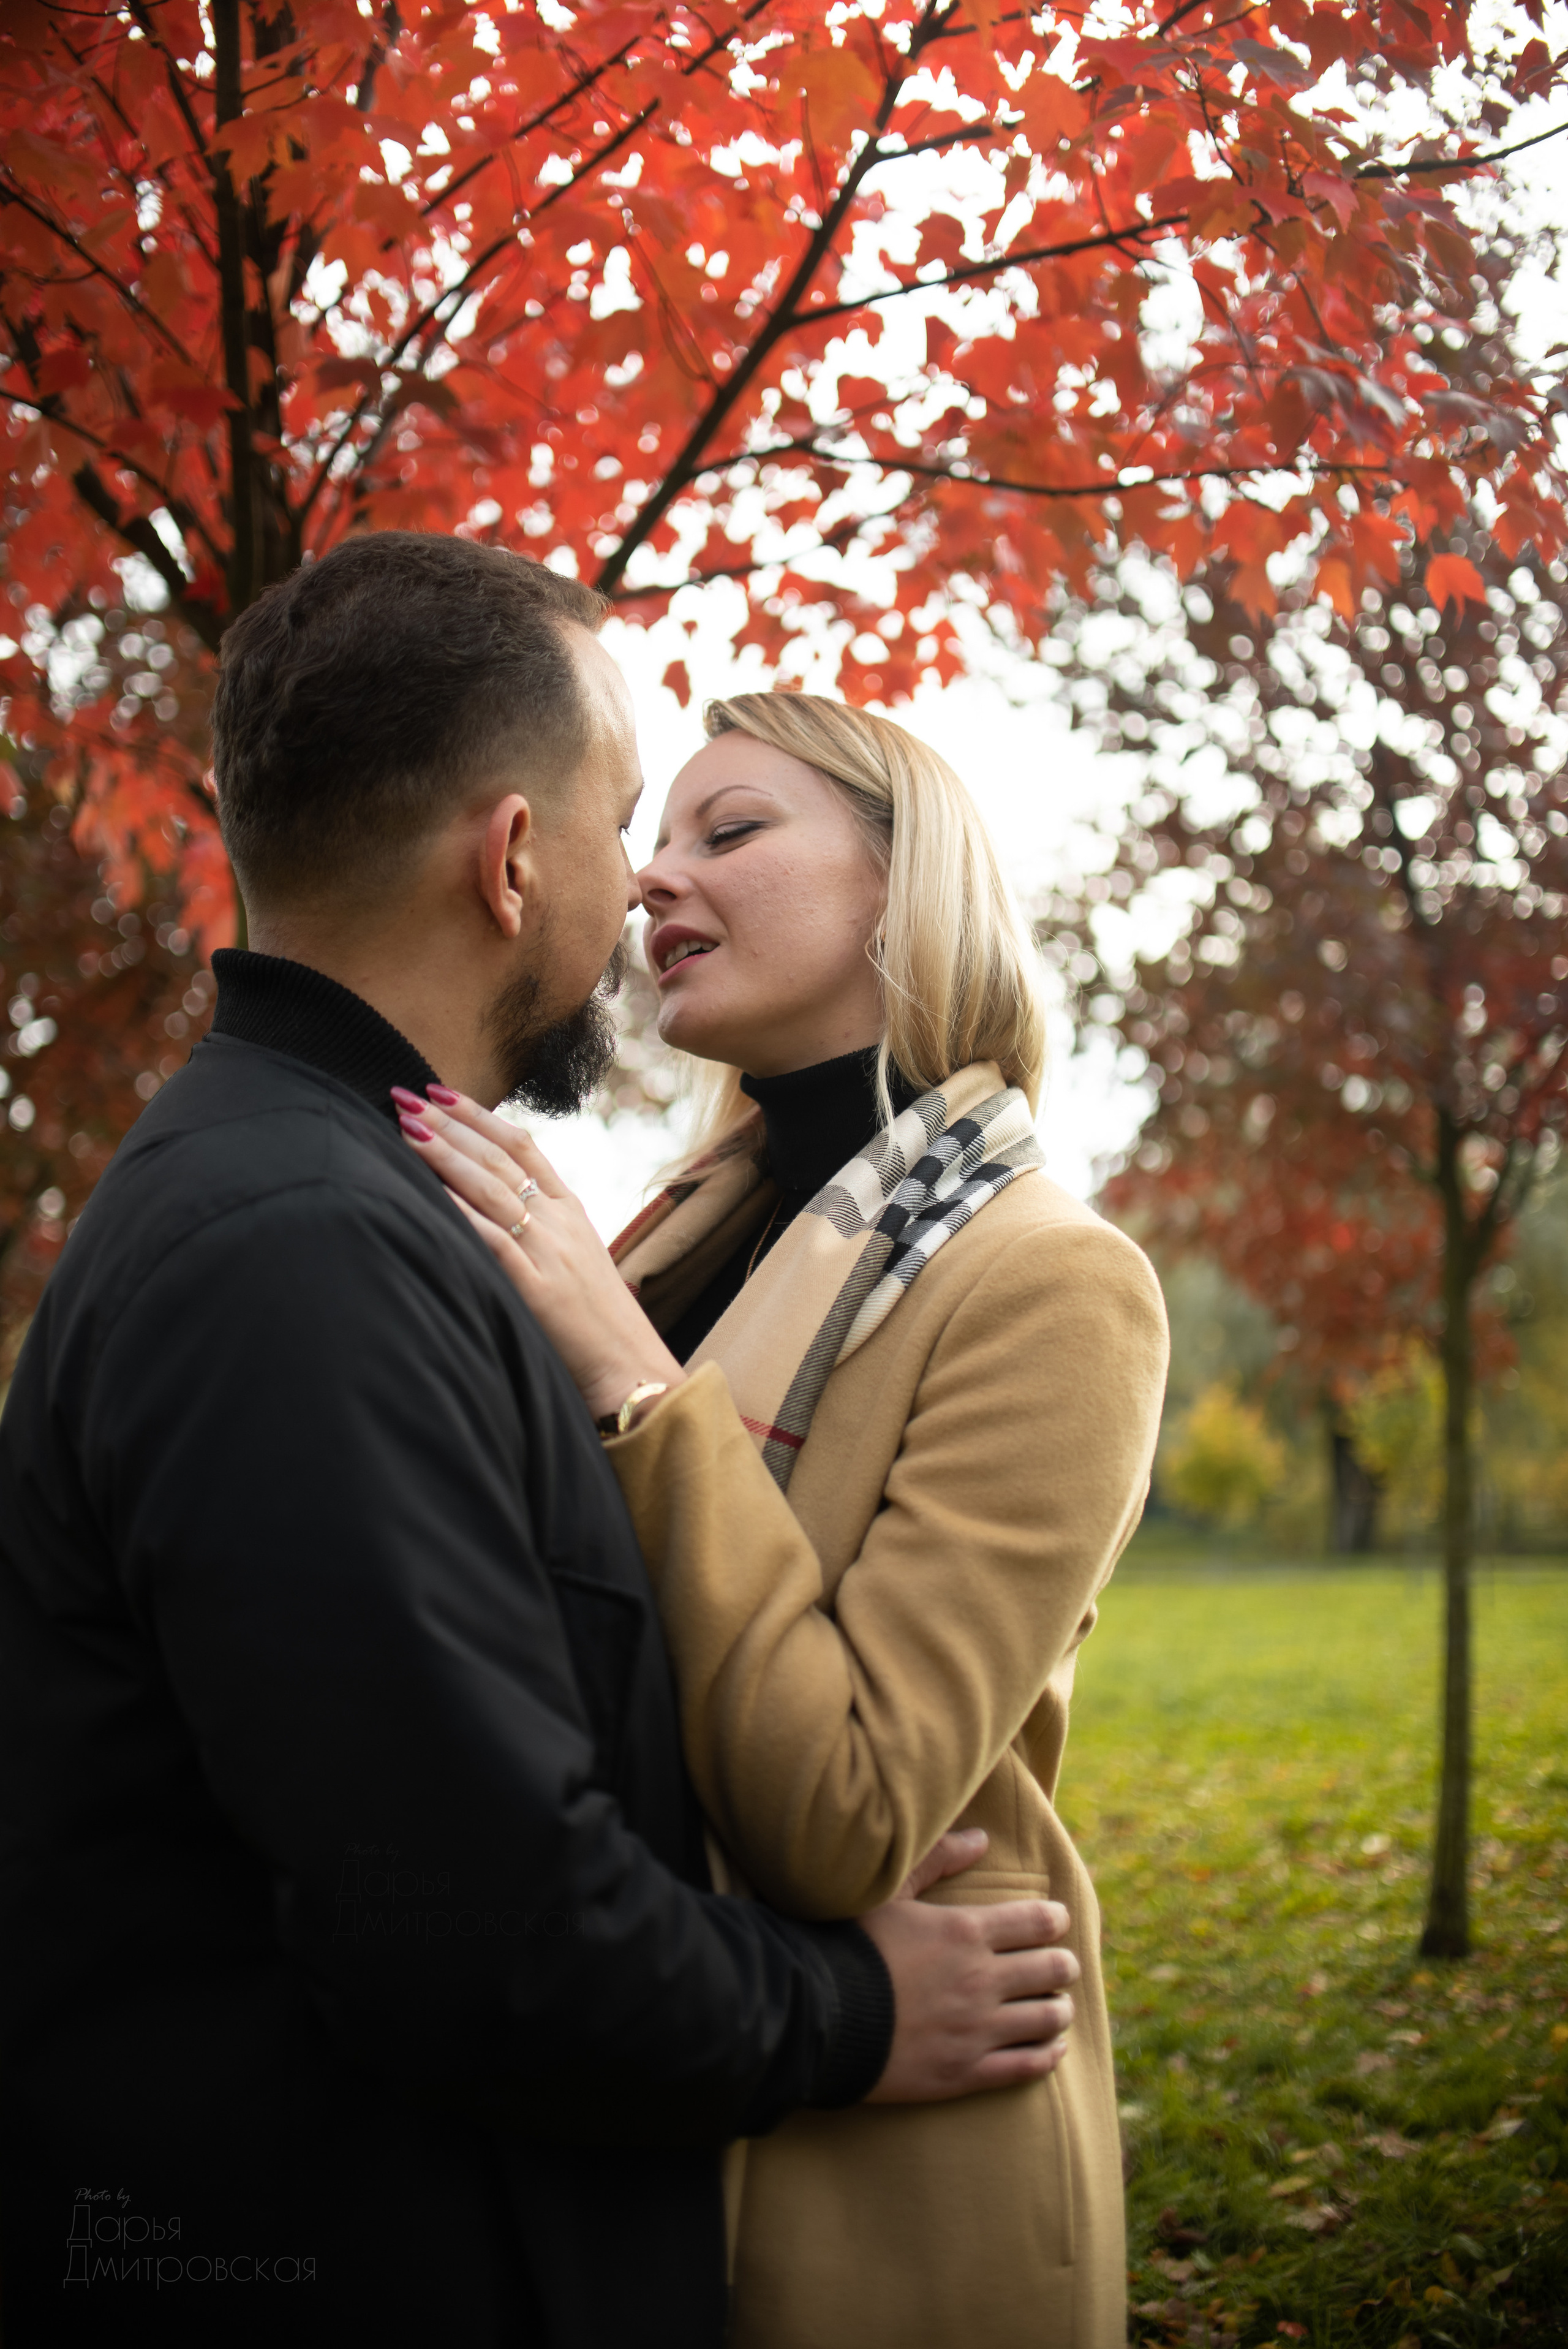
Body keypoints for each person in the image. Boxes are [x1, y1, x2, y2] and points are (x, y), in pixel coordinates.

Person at [0, 540, 1082, 2349]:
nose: (644, 872)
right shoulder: (306, 1246)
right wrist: (842, 2011)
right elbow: (473, 1913)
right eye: (625, 815)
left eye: (717, 831)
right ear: (512, 861)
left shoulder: (380, 1207)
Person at [399, 690, 1170, 2349]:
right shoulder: (672, 1237)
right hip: (656, 2077)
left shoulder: (1053, 1283)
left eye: (727, 829)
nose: (654, 877)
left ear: (906, 883)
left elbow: (846, 1807)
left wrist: (630, 1384)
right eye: (655, 835)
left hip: (891, 2167)